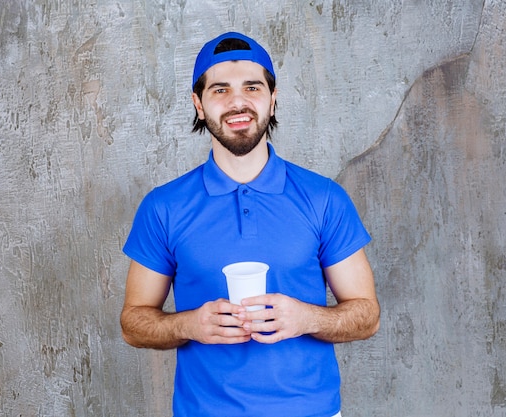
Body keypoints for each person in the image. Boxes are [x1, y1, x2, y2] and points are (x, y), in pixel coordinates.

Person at [120, 31, 380, 417]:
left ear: (272, 100)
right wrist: (189, 325)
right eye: (220, 90)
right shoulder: (164, 207)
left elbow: (366, 316)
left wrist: (306, 317)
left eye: (252, 87)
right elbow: (134, 322)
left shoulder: (324, 198)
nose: (237, 102)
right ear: (198, 104)